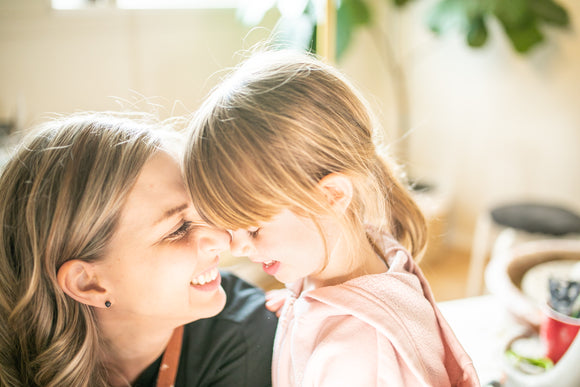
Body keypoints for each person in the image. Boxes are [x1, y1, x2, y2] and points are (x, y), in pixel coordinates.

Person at [183, 50, 480, 386]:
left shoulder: (355, 355)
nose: (236, 248)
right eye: (228, 225)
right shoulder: (355, 250)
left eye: (252, 229)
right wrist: (303, 308)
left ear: (332, 196)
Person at [0, 112, 277, 387]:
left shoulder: (247, 337)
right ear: (87, 283)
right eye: (178, 229)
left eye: (204, 209)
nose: (222, 238)